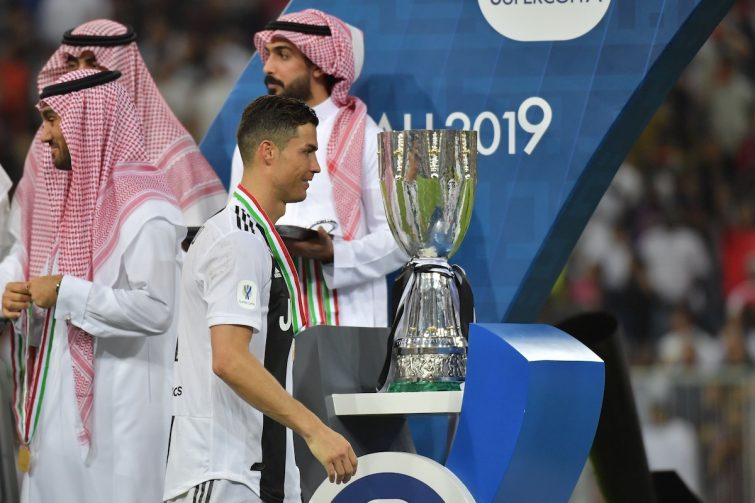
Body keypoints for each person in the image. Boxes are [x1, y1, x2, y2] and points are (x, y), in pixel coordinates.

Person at [1, 69, 184, 502]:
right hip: (60, 410)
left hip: (122, 414)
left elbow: (157, 309)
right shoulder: (71, 203)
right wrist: (22, 293)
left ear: (88, 121)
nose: (43, 136)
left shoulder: (147, 209)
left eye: (52, 120)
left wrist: (65, 293)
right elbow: (39, 274)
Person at [164, 95, 357, 503]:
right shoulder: (239, 240)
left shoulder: (250, 236)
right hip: (221, 473)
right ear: (268, 152)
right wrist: (314, 430)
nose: (315, 167)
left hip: (251, 469)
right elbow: (230, 359)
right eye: (306, 151)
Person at [9, 19, 225, 283]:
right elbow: (25, 243)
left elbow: (200, 267)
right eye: (72, 65)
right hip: (53, 316)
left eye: (93, 63)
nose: (81, 75)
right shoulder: (47, 148)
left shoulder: (172, 157)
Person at [229, 9, 405, 327]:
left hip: (346, 320)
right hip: (268, 314)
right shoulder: (255, 138)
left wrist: (333, 254)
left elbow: (399, 239)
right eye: (267, 55)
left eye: (283, 55)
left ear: (319, 66)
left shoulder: (366, 137)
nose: (268, 67)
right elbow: (236, 221)